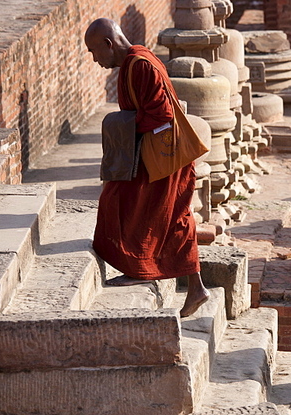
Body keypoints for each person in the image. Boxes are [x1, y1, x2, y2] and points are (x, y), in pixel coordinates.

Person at [84, 18, 209, 317]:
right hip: (152, 152)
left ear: (108, 44)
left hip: (164, 156)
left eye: (93, 51)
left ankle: (185, 283)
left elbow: (162, 114)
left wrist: (122, 126)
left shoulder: (140, 65)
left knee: (153, 212)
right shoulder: (133, 62)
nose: (93, 58)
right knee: (139, 207)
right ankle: (150, 270)